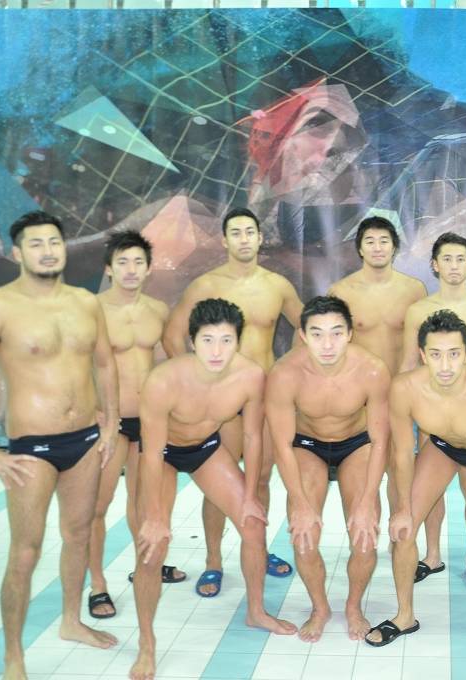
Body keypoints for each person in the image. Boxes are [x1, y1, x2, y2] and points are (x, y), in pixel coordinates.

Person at [0, 211, 120, 680]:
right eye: (36, 244)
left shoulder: (86, 303)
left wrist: (109, 425)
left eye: (54, 242)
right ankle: (14, 657)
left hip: (85, 439)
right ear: (17, 253)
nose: (47, 251)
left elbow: (105, 363)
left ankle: (71, 620)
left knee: (79, 534)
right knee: (26, 551)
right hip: (32, 446)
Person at [131, 298, 297, 680]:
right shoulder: (162, 381)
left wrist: (251, 496)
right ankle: (146, 644)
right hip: (163, 454)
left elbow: (252, 436)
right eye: (208, 340)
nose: (217, 351)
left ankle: (256, 611)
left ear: (239, 340)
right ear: (192, 341)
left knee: (253, 525)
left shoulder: (250, 376)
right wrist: (154, 517)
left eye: (226, 340)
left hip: (206, 448)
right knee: (152, 548)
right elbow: (151, 453)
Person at [365, 310, 466, 663]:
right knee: (404, 530)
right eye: (436, 354)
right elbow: (402, 453)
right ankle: (404, 616)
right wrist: (402, 508)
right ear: (423, 354)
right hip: (441, 447)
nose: (446, 365)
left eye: (454, 354)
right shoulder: (404, 388)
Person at [162, 208, 302, 595]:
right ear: (224, 240)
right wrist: (196, 384)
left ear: (260, 238)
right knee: (221, 482)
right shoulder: (206, 285)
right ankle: (213, 560)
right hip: (224, 404)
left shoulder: (277, 285)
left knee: (260, 479)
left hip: (266, 399)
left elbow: (307, 330)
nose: (243, 239)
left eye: (249, 232)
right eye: (235, 233)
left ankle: (257, 547)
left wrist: (287, 374)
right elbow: (173, 336)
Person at [265, 296, 391, 642]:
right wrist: (300, 502)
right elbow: (281, 444)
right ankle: (319, 608)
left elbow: (380, 440)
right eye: (317, 334)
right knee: (304, 539)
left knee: (365, 539)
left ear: (350, 333)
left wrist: (367, 499)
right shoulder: (285, 374)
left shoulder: (372, 370)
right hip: (307, 446)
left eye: (336, 333)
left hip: (357, 445)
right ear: (303, 335)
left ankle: (353, 606)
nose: (327, 344)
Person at [86, 231, 185, 620]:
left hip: (147, 421)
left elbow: (171, 363)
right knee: (98, 505)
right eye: (123, 262)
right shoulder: (92, 310)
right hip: (107, 421)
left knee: (144, 503)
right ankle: (97, 585)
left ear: (148, 268)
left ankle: (146, 565)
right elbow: (77, 364)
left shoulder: (158, 310)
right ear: (109, 269)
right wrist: (93, 414)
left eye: (138, 262)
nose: (131, 269)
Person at [398, 232, 466, 591]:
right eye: (447, 259)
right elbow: (408, 366)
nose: (454, 266)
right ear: (434, 265)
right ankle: (431, 555)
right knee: (430, 488)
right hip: (431, 411)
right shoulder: (417, 311)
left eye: (461, 259)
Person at [328, 215, 427, 372]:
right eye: (370, 242)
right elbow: (331, 344)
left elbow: (427, 341)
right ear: (360, 249)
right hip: (360, 381)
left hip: (403, 380)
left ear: (394, 248)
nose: (377, 248)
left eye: (384, 241)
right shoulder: (340, 292)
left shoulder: (415, 289)